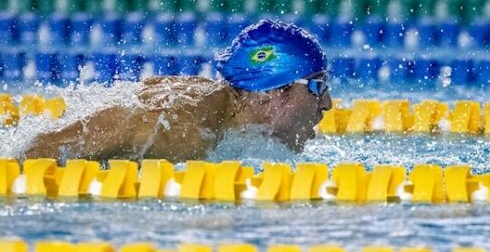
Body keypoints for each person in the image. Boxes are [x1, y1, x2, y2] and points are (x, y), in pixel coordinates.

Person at [24, 19, 333, 162]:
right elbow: (43, 148)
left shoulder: (225, 121)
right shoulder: (178, 129)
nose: (327, 104)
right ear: (269, 92)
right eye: (317, 86)